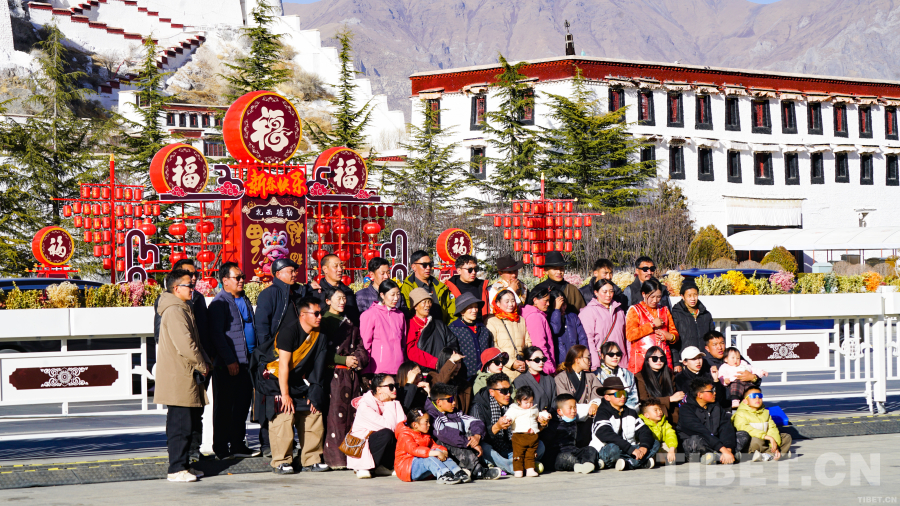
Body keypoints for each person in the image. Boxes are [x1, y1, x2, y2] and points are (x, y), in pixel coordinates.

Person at [257, 297, 330, 474]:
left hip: (298, 379)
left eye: (321, 313)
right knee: (284, 412)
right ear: (303, 315)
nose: (320, 317)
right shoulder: (288, 332)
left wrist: (315, 391)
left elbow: (318, 367)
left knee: (313, 411)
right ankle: (281, 461)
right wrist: (285, 395)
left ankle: (311, 459)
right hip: (274, 378)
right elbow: (283, 366)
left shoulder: (320, 335)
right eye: (316, 313)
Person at [154, 259, 213, 462]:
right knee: (180, 419)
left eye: (195, 275)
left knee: (194, 414)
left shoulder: (194, 300)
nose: (193, 280)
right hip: (182, 368)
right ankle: (179, 463)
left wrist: (205, 360)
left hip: (196, 365)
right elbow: (181, 342)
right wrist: (200, 363)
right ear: (176, 284)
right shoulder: (172, 307)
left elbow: (202, 332)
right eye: (189, 277)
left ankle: (192, 454)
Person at [253, 258, 307, 456]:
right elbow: (262, 326)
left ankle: (289, 442)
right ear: (278, 273)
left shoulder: (296, 292)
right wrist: (268, 354)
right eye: (290, 271)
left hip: (294, 354)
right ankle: (268, 443)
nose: (294, 274)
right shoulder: (270, 293)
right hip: (274, 355)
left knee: (290, 399)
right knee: (271, 400)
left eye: (295, 271)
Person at [208, 262, 259, 460]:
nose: (241, 280)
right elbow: (217, 335)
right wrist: (230, 360)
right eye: (237, 277)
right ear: (225, 281)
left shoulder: (244, 298)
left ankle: (238, 444)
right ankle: (221, 448)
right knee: (224, 407)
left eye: (242, 277)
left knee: (241, 406)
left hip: (247, 361)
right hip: (227, 363)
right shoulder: (219, 303)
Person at [320, 284, 369, 469]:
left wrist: (357, 359)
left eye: (344, 298)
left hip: (351, 375)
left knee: (354, 416)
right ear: (328, 301)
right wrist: (343, 360)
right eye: (338, 298)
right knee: (336, 417)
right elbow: (321, 352)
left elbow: (360, 345)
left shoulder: (350, 321)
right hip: (334, 375)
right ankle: (336, 459)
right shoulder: (324, 322)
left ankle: (353, 456)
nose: (342, 302)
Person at [469, 373, 546, 475]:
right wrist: (497, 426)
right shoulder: (479, 406)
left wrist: (541, 424)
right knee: (484, 448)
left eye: (510, 390)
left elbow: (527, 428)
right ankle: (520, 466)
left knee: (540, 445)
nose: (508, 394)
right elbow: (478, 436)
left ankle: (519, 465)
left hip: (512, 448)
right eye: (504, 391)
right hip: (493, 449)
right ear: (492, 392)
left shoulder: (513, 405)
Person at [424, 383, 501, 481]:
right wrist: (469, 443)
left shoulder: (455, 412)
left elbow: (475, 421)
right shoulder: (431, 415)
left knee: (475, 437)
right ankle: (478, 470)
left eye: (454, 399)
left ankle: (506, 466)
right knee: (450, 440)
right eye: (450, 400)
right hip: (442, 452)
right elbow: (446, 434)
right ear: (439, 402)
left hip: (463, 450)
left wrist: (477, 436)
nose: (454, 403)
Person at [589, 377, 659, 471]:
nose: (622, 396)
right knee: (614, 449)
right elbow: (606, 434)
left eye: (624, 393)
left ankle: (628, 464)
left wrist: (643, 447)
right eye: (618, 394)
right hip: (607, 449)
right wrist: (630, 449)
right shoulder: (602, 413)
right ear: (607, 397)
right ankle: (639, 462)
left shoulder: (631, 412)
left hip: (629, 448)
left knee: (654, 443)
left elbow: (644, 431)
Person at [347, 373, 407, 479]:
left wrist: (392, 404)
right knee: (386, 434)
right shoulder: (365, 406)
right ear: (379, 390)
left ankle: (380, 466)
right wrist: (389, 403)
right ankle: (362, 467)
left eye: (395, 386)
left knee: (401, 435)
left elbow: (402, 426)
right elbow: (389, 427)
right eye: (391, 386)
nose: (394, 389)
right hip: (360, 448)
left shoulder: (392, 402)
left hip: (373, 442)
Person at [677, 378, 749, 465]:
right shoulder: (686, 409)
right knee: (695, 441)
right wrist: (723, 450)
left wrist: (728, 449)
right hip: (701, 443)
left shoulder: (716, 406)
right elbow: (702, 432)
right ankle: (729, 456)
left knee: (743, 434)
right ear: (700, 395)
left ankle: (718, 456)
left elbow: (726, 427)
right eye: (711, 391)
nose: (714, 393)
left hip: (716, 442)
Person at [394, 408, 466, 484]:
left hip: (421, 468)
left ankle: (457, 471)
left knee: (437, 452)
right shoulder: (404, 435)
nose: (429, 424)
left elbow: (433, 446)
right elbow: (414, 449)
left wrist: (443, 451)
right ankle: (443, 475)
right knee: (429, 458)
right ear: (415, 425)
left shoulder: (424, 433)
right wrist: (436, 453)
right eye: (426, 422)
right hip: (407, 469)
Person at [625, 278, 678, 374]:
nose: (655, 300)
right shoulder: (635, 310)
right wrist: (651, 325)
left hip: (662, 360)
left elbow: (674, 333)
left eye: (658, 297)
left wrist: (671, 337)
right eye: (652, 296)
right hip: (642, 360)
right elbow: (630, 335)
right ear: (643, 294)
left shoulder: (664, 310)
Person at [579, 278, 627, 371]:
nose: (608, 295)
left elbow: (626, 338)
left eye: (611, 291)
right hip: (601, 363)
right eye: (604, 292)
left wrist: (626, 361)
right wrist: (594, 363)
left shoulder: (619, 311)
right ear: (596, 293)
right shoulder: (589, 311)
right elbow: (588, 339)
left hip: (620, 362)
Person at [360, 280, 407, 374]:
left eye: (398, 294)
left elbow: (403, 343)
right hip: (378, 369)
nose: (396, 298)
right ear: (382, 295)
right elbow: (365, 345)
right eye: (392, 295)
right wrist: (366, 371)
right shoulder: (370, 314)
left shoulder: (400, 315)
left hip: (399, 368)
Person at [732, 388, 792, 461]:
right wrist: (767, 437)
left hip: (765, 440)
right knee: (756, 441)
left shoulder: (766, 413)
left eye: (760, 396)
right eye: (753, 396)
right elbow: (746, 429)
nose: (757, 399)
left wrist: (774, 445)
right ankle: (778, 454)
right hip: (751, 443)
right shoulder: (740, 414)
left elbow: (772, 429)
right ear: (745, 401)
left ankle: (768, 454)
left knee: (786, 437)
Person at [405, 288, 457, 371]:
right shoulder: (410, 324)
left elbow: (452, 341)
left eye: (429, 302)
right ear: (415, 306)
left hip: (443, 368)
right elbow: (412, 351)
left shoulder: (439, 324)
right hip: (422, 370)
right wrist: (435, 362)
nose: (428, 305)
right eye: (424, 302)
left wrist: (448, 358)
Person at [504, 386, 550, 478]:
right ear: (518, 401)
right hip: (519, 436)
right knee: (518, 455)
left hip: (533, 437)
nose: (529, 405)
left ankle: (530, 469)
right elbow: (509, 415)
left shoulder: (534, 409)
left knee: (531, 454)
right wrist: (507, 419)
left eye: (531, 402)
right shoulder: (514, 409)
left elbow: (539, 415)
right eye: (526, 403)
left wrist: (545, 415)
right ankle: (518, 470)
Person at [485, 290, 531, 381]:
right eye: (507, 301)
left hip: (522, 368)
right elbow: (493, 346)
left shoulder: (521, 320)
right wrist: (511, 363)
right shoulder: (491, 321)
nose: (511, 304)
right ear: (498, 303)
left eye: (513, 301)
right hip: (504, 368)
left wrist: (527, 361)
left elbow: (528, 342)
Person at [703, 330, 760, 404]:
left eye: (722, 343)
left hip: (745, 401)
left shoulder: (733, 355)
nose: (719, 347)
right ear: (707, 348)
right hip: (721, 403)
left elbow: (753, 373)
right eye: (715, 344)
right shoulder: (705, 364)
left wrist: (753, 378)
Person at [448, 293, 493, 385]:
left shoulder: (483, 329)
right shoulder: (453, 329)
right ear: (462, 311)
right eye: (470, 307)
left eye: (476, 307)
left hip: (483, 377)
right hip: (463, 378)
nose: (474, 310)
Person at [670, 277, 714, 369]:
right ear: (682, 296)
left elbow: (712, 339)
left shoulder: (705, 315)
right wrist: (676, 362)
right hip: (685, 362)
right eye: (689, 296)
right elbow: (673, 341)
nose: (693, 298)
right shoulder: (676, 314)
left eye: (695, 295)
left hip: (704, 361)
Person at [401, 250, 455, 325]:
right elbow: (407, 314)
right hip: (419, 330)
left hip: (442, 329)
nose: (428, 268)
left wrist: (450, 329)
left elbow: (451, 310)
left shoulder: (440, 286)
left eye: (430, 264)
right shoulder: (407, 288)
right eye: (424, 265)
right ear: (414, 267)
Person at [635, 346, 683, 424]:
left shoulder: (670, 377)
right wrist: (669, 399)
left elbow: (675, 404)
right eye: (654, 358)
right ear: (647, 360)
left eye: (662, 358)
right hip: (650, 419)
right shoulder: (639, 377)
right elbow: (644, 400)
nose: (659, 361)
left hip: (671, 419)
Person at [553, 394, 599, 474]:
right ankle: (590, 464)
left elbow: (587, 409)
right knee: (566, 458)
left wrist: (594, 405)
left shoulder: (573, 419)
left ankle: (587, 464)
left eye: (575, 407)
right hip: (558, 454)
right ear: (559, 411)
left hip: (573, 451)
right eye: (570, 408)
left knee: (590, 449)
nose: (573, 410)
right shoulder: (554, 423)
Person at [315, 254, 360, 326]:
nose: (340, 269)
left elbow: (354, 318)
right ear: (325, 269)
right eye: (335, 266)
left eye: (341, 266)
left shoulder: (348, 292)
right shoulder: (316, 293)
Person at [554, 345, 603, 412]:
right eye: (588, 358)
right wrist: (587, 408)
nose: (590, 361)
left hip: (591, 415)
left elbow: (598, 392)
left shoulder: (591, 376)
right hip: (571, 414)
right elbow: (565, 401)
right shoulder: (560, 378)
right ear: (577, 360)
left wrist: (595, 404)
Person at [549, 288, 588, 366]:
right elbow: (555, 329)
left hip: (575, 359)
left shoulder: (572, 317)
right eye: (560, 305)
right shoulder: (549, 317)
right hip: (559, 361)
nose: (563, 308)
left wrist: (583, 355)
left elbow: (582, 338)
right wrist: (556, 311)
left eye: (564, 304)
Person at [522, 287, 557, 375]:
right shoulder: (535, 317)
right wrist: (549, 368)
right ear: (535, 300)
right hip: (543, 367)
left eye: (549, 301)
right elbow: (539, 345)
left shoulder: (536, 314)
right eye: (545, 301)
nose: (548, 304)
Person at [512, 347, 558, 414]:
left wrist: (548, 414)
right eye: (537, 360)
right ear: (527, 362)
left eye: (543, 359)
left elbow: (555, 402)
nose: (541, 362)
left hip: (549, 417)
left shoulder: (550, 379)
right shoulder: (519, 381)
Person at [443, 254, 490, 320]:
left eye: (476, 269)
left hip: (481, 324)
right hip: (457, 325)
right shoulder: (448, 288)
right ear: (459, 271)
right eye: (470, 270)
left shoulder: (483, 287)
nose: (473, 272)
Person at [596, 342, 639, 411]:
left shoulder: (628, 374)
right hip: (606, 411)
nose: (615, 357)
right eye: (611, 354)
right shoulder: (597, 375)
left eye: (618, 354)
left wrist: (626, 411)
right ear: (602, 356)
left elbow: (633, 397)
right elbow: (598, 397)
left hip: (628, 411)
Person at [638, 399, 678, 465]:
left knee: (672, 448)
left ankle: (657, 460)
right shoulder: (642, 423)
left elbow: (670, 434)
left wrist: (672, 448)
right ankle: (651, 460)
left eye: (660, 409)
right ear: (646, 415)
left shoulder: (663, 422)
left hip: (660, 445)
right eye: (655, 410)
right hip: (649, 446)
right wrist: (659, 452)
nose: (659, 412)